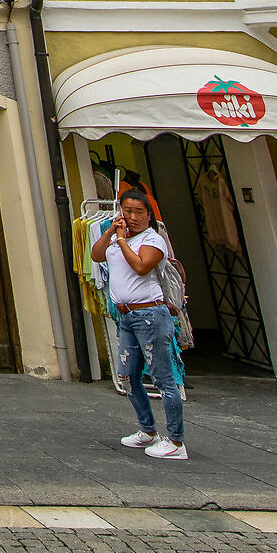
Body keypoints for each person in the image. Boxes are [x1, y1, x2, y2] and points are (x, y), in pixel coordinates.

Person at [91, 187, 185, 459]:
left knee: (162, 377)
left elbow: (142, 267)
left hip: (150, 315)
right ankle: (148, 429)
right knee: (129, 377)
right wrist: (111, 233)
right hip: (126, 316)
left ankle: (176, 441)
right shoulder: (117, 238)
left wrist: (121, 242)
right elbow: (97, 255)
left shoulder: (153, 240)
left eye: (138, 212)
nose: (132, 217)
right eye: (127, 211)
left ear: (148, 215)